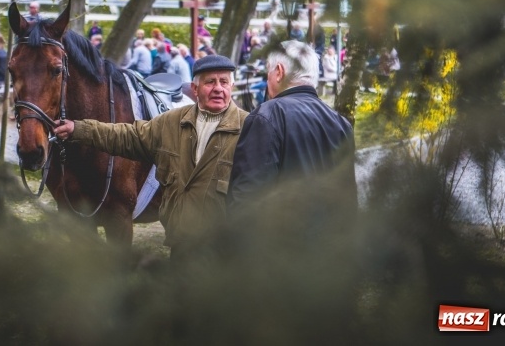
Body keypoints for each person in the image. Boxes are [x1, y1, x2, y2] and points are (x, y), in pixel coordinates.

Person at [53, 55, 249, 259]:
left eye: (224, 82)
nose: (218, 88)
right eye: (210, 82)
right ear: (195, 89)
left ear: (231, 87)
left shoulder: (250, 128)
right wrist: (79, 129)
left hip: (225, 248)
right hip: (182, 246)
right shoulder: (172, 122)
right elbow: (128, 136)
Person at [227, 40, 357, 222]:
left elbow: (247, 200)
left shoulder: (267, 116)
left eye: (268, 72)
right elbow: (348, 199)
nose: (267, 80)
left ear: (279, 72)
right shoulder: (341, 123)